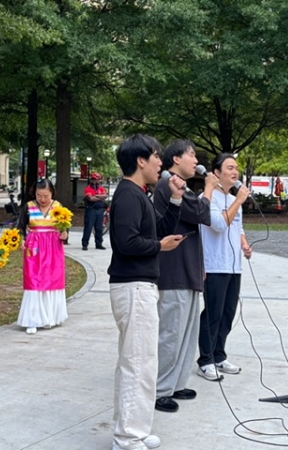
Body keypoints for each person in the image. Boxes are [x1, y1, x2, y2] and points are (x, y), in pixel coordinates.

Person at [108, 134, 186, 450]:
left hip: (140, 286)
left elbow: (162, 227)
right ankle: (127, 437)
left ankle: (135, 430)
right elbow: (125, 244)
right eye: (156, 156)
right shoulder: (127, 195)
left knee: (141, 361)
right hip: (133, 286)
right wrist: (158, 247)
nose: (160, 163)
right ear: (141, 160)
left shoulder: (140, 194)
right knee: (136, 362)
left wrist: (176, 198)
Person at [153, 139, 218, 414]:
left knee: (186, 330)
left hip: (188, 268)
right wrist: (211, 188)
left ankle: (176, 383)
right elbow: (202, 213)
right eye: (191, 155)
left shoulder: (183, 187)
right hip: (173, 270)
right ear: (176, 159)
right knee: (172, 330)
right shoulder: (169, 183)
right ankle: (159, 389)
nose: (196, 160)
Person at [197, 153, 253, 382]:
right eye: (229, 167)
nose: (235, 171)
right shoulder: (208, 198)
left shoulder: (233, 200)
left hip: (233, 266)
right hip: (214, 264)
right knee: (213, 313)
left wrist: (245, 244)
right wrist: (239, 200)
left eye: (236, 168)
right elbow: (219, 225)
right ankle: (205, 360)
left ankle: (219, 355)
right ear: (216, 173)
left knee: (228, 313)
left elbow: (236, 228)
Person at [17, 178, 69, 334]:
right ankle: (33, 319)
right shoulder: (29, 207)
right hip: (35, 247)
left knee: (53, 279)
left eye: (46, 195)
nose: (43, 199)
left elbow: (65, 229)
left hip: (54, 248)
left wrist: (65, 234)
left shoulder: (59, 207)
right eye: (39, 195)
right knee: (34, 280)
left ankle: (51, 317)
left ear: (52, 192)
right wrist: (21, 240)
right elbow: (20, 227)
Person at [81, 172, 108, 251]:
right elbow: (90, 199)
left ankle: (99, 243)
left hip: (99, 210)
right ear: (92, 180)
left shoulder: (101, 188)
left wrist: (96, 196)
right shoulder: (88, 188)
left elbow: (105, 196)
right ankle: (85, 244)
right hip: (91, 210)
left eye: (98, 179)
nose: (97, 181)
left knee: (99, 228)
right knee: (88, 227)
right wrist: (100, 197)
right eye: (96, 179)